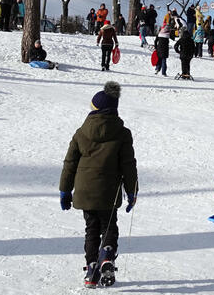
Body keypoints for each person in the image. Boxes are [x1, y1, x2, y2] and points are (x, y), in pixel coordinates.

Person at [59, 82, 138, 288]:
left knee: (91, 229)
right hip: (109, 192)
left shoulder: (81, 132)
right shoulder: (123, 133)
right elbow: (129, 165)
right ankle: (107, 256)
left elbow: (70, 163)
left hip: (85, 191)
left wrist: (65, 190)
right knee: (109, 226)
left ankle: (92, 268)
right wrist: (132, 191)